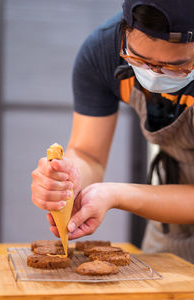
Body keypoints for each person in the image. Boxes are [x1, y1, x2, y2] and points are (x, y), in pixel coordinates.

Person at [31, 0, 194, 263]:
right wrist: (66, 182)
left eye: (174, 67)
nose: (154, 75)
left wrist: (116, 194)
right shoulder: (103, 50)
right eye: (138, 60)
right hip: (170, 203)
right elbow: (88, 154)